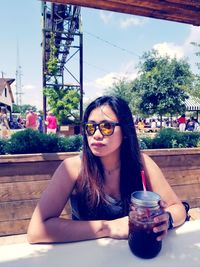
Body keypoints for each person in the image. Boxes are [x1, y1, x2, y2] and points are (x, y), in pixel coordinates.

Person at [27, 96, 186, 244]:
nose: (96, 134)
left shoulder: (141, 163)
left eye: (107, 127)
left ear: (125, 131)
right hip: (86, 253)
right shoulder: (72, 168)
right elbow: (36, 231)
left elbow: (177, 208)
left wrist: (167, 219)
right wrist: (108, 228)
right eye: (90, 127)